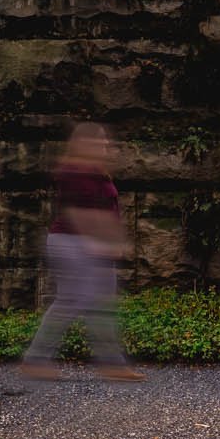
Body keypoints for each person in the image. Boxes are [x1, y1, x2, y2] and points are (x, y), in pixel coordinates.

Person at [22, 122, 142, 381]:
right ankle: (36, 359)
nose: (105, 146)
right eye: (99, 142)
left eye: (105, 142)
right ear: (83, 144)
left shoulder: (97, 171)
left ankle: (113, 363)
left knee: (102, 305)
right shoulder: (74, 171)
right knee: (71, 301)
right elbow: (76, 211)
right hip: (72, 243)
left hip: (92, 244)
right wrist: (97, 242)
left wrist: (111, 241)